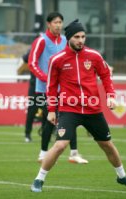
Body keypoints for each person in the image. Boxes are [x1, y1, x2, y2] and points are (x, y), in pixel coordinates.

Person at [30, 19, 126, 193]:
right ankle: (39, 179)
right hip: (69, 109)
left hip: (92, 109)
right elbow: (51, 87)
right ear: (69, 38)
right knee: (60, 146)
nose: (81, 40)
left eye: (83, 36)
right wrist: (52, 110)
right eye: (76, 37)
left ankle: (122, 177)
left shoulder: (94, 56)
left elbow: (106, 76)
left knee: (107, 145)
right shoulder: (56, 60)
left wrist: (111, 96)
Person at [28, 12, 88, 163]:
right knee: (50, 120)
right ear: (49, 24)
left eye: (60, 22)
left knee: (71, 118)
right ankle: (42, 153)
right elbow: (32, 63)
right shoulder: (41, 41)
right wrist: (46, 78)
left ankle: (74, 154)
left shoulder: (65, 41)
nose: (58, 25)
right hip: (45, 90)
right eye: (55, 22)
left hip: (66, 89)